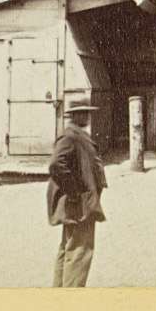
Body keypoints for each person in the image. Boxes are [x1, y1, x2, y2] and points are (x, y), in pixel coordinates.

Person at [46, 97, 106, 287]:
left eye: (87, 112)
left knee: (69, 247)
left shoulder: (77, 135)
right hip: (79, 202)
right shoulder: (70, 137)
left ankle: (60, 293)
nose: (87, 116)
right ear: (75, 115)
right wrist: (73, 191)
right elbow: (56, 164)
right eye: (83, 113)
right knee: (80, 250)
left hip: (81, 200)